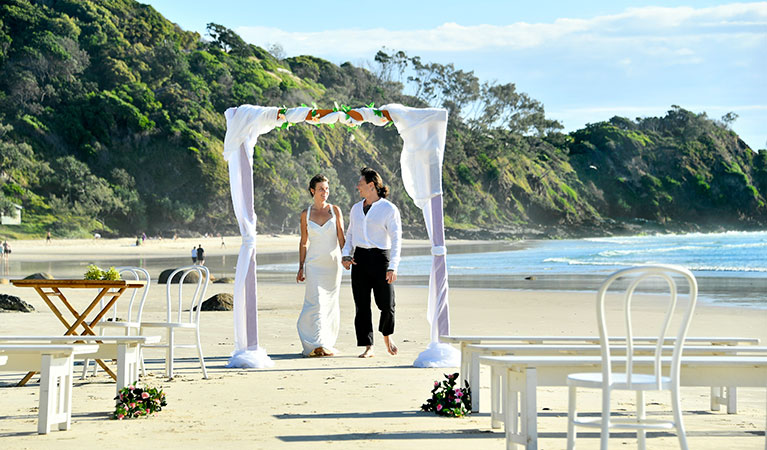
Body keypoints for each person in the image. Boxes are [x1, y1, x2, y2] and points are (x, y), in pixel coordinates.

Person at [342, 167, 402, 358]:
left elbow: (397, 239)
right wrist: (345, 254)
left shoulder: (389, 209)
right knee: (362, 305)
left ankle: (387, 336)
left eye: (360, 184)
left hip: (381, 259)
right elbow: (350, 234)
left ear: (371, 185)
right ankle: (368, 346)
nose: (357, 187)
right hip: (359, 260)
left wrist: (393, 266)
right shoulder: (355, 208)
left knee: (387, 304)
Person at [296, 175, 345, 357]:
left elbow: (341, 237)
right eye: (321, 189)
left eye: (327, 189)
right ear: (312, 191)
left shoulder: (335, 211)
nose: (325, 193)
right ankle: (316, 344)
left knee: (329, 304)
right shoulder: (305, 214)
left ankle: (325, 342)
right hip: (314, 264)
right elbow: (303, 242)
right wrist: (301, 267)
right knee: (315, 302)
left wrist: (346, 257)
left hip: (333, 266)